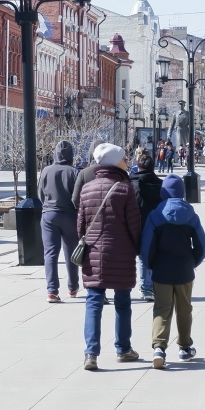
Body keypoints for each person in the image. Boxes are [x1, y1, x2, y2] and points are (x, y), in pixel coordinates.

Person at [77, 143, 143, 371]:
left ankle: (91, 353)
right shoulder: (125, 189)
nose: (127, 162)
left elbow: (81, 225)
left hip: (93, 252)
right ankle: (123, 349)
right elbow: (134, 224)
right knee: (123, 302)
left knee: (93, 302)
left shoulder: (87, 188)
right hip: (121, 252)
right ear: (115, 162)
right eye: (124, 158)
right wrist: (137, 248)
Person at [140, 174, 205, 369]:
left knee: (162, 308)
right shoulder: (191, 215)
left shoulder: (156, 215)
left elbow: (146, 246)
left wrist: (151, 265)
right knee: (184, 308)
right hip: (184, 269)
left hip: (161, 269)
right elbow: (203, 245)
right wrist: (193, 261)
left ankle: (159, 348)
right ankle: (185, 347)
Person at [39, 140, 81, 303]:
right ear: (71, 155)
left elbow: (40, 194)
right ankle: (73, 287)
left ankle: (52, 291)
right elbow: (78, 197)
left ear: (55, 154)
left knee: (50, 253)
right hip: (70, 214)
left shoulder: (46, 170)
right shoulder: (74, 172)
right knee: (71, 252)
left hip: (49, 214)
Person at [134, 153, 164, 302]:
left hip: (134, 224)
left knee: (139, 256)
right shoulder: (160, 185)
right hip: (154, 225)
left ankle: (142, 286)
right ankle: (148, 286)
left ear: (138, 167)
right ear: (153, 168)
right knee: (150, 255)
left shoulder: (131, 183)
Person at [70, 138, 106, 211]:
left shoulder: (84, 173)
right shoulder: (115, 171)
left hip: (89, 214)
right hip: (111, 215)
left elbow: (75, 199)